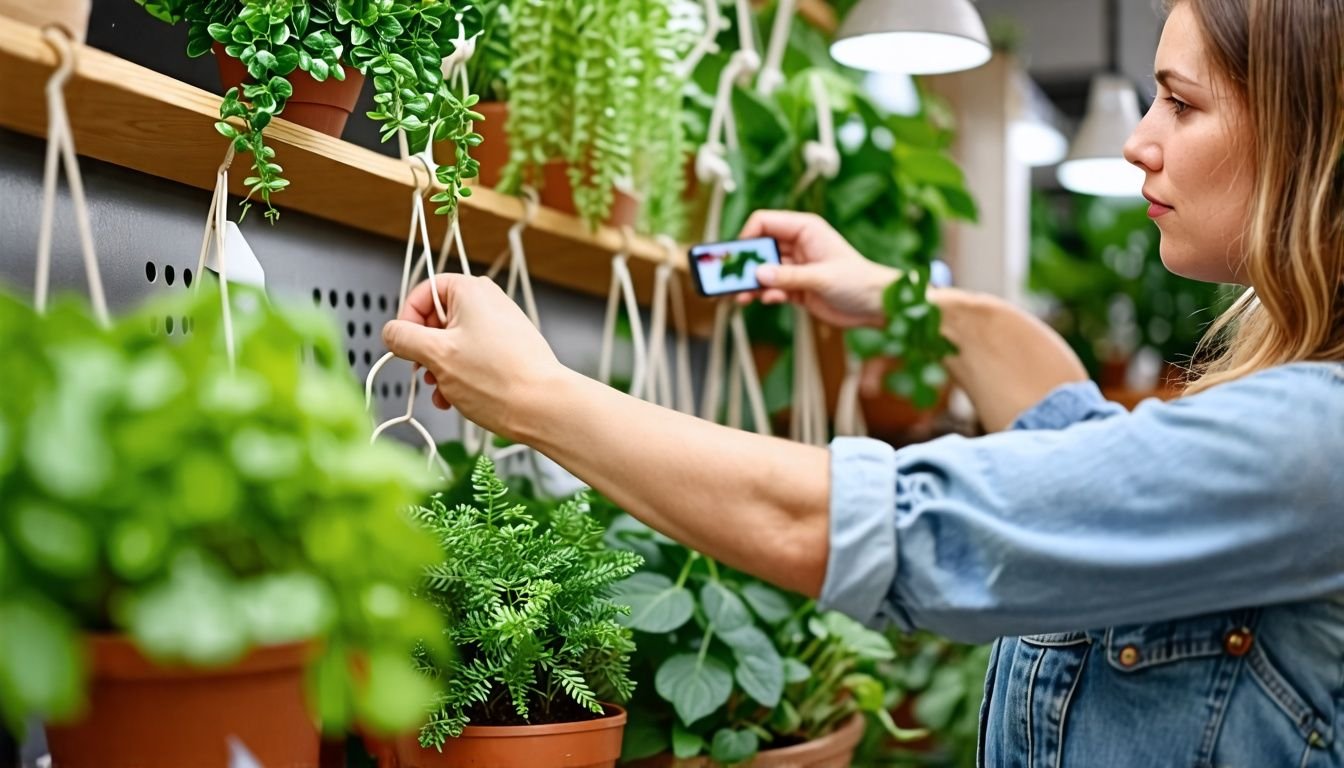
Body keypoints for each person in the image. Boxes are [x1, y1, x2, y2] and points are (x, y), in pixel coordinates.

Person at [381, 0, 1344, 764]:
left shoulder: (1313, 438)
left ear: (1311, 138)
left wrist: (540, 397)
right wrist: (900, 299)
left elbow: (874, 528)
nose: (1142, 140)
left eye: (1180, 102)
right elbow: (1068, 429)